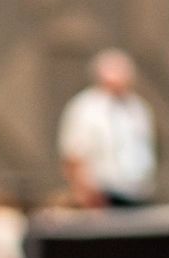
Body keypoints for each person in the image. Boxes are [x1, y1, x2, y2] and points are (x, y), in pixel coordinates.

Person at [58, 48, 156, 207]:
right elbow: (74, 154)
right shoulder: (86, 108)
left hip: (138, 191)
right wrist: (84, 192)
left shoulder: (138, 107)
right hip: (102, 194)